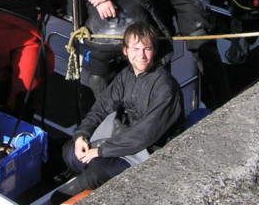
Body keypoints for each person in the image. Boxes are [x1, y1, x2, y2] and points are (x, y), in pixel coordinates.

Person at [51, 21, 184, 204]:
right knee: (70, 152)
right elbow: (101, 107)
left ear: (154, 50)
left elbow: (145, 134)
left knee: (96, 171)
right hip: (123, 138)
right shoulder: (126, 75)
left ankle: (68, 194)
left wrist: (101, 151)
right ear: (125, 50)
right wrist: (82, 135)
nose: (142, 55)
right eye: (136, 49)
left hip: (150, 150)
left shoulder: (165, 88)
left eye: (147, 49)